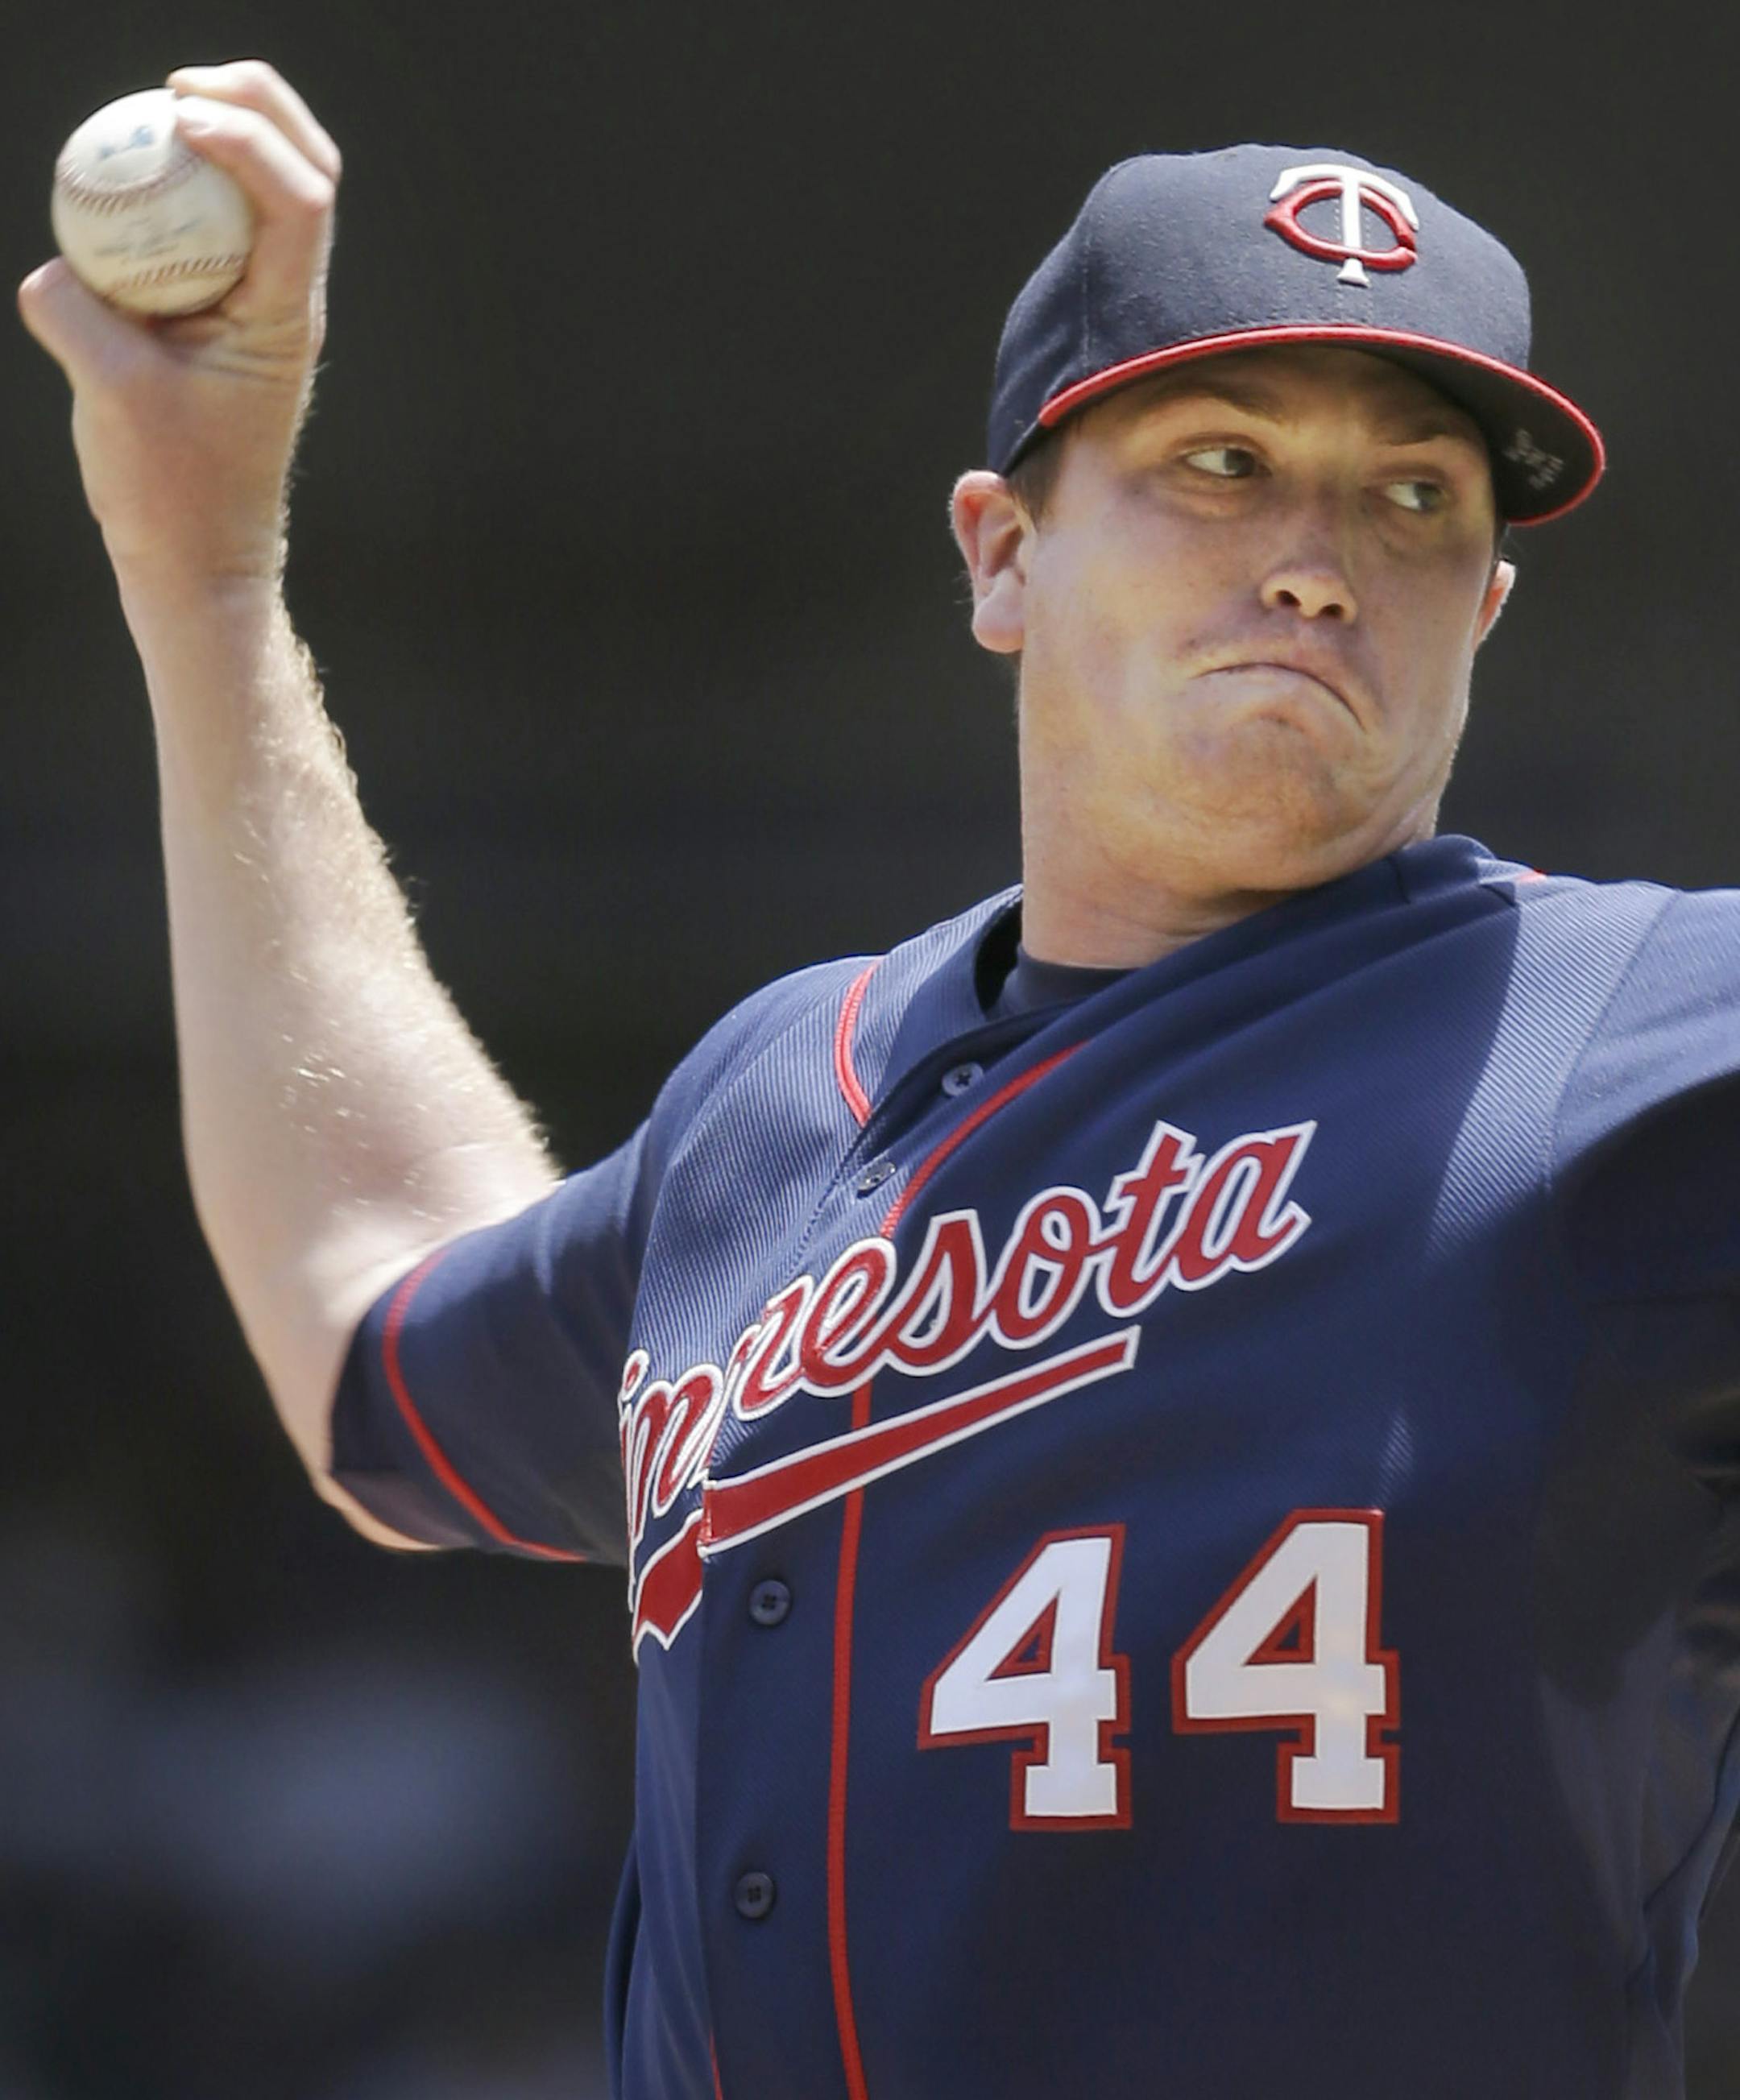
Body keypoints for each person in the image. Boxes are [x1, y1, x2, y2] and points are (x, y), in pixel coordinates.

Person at [19, 62, 1740, 2100]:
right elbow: (368, 1327)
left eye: (1417, 496)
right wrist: (203, 562)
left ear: (1489, 606)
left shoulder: (1633, 1025)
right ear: (1001, 555)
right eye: (1217, 460)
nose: (1318, 556)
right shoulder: (778, 1100)